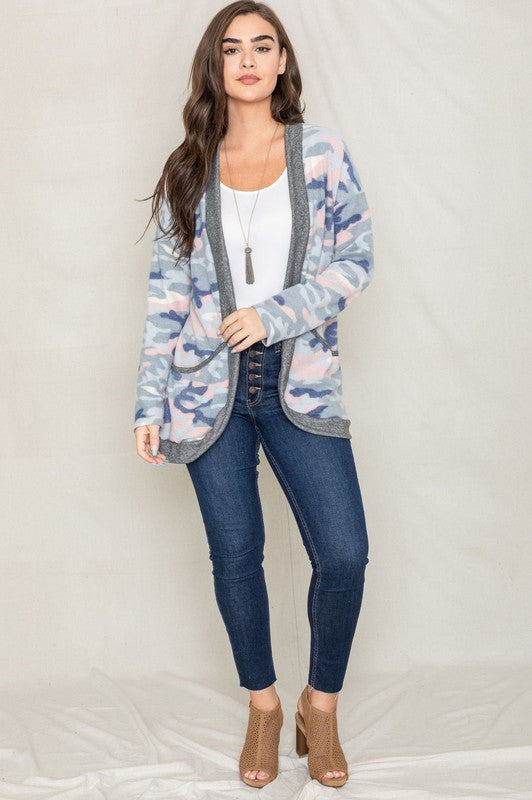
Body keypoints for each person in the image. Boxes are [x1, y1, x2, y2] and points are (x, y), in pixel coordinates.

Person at [133, 0, 374, 789]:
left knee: (343, 553)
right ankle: (264, 707)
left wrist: (275, 315)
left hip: (297, 382)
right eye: (231, 48)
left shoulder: (322, 153)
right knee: (236, 555)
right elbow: (167, 297)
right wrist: (149, 403)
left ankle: (320, 708)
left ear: (282, 62)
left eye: (262, 46)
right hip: (206, 392)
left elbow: (356, 261)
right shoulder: (189, 166)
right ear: (215, 64)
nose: (247, 60)